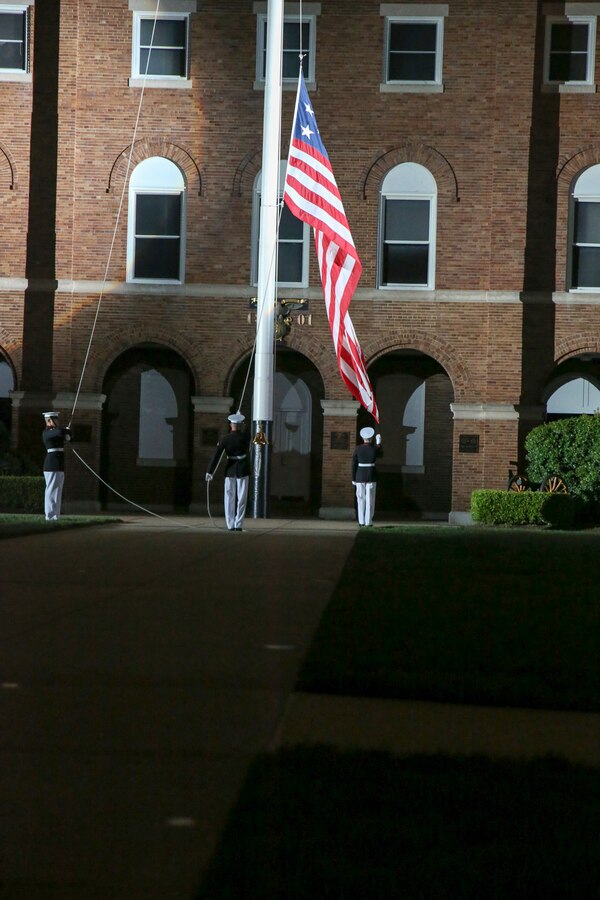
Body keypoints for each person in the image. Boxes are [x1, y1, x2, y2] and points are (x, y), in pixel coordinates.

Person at [205, 412, 251, 531]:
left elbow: (216, 456)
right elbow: (247, 433)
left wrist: (210, 472)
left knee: (229, 497)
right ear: (240, 425)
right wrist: (243, 422)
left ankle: (230, 524)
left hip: (230, 469)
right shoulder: (245, 438)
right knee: (241, 498)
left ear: (230, 425)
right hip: (243, 469)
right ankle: (238, 524)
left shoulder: (224, 439)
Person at [42, 411, 72, 521]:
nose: (57, 421)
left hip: (59, 465)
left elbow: (67, 436)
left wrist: (68, 434)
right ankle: (49, 516)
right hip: (51, 464)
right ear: (49, 420)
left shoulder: (56, 432)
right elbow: (59, 432)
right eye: (55, 420)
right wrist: (66, 431)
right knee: (51, 490)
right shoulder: (46, 433)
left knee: (58, 491)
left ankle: (56, 516)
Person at [352, 426, 382, 528]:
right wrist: (379, 443)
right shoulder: (374, 448)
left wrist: (353, 478)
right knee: (370, 499)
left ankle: (361, 521)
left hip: (359, 475)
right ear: (372, 438)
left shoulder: (358, 449)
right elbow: (381, 455)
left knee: (360, 498)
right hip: (371, 475)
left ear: (362, 438)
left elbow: (354, 464)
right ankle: (368, 521)